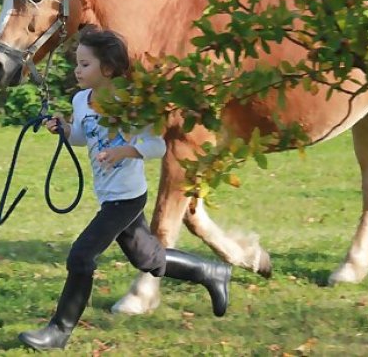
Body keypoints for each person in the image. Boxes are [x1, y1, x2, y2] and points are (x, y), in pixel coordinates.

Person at [18, 28, 232, 351]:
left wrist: (124, 151)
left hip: (126, 198)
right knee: (148, 258)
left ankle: (58, 332)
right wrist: (63, 129)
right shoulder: (81, 100)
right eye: (77, 63)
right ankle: (212, 272)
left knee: (81, 255)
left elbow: (156, 145)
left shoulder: (128, 104)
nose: (77, 70)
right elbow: (83, 135)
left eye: (85, 64)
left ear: (107, 70)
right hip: (108, 196)